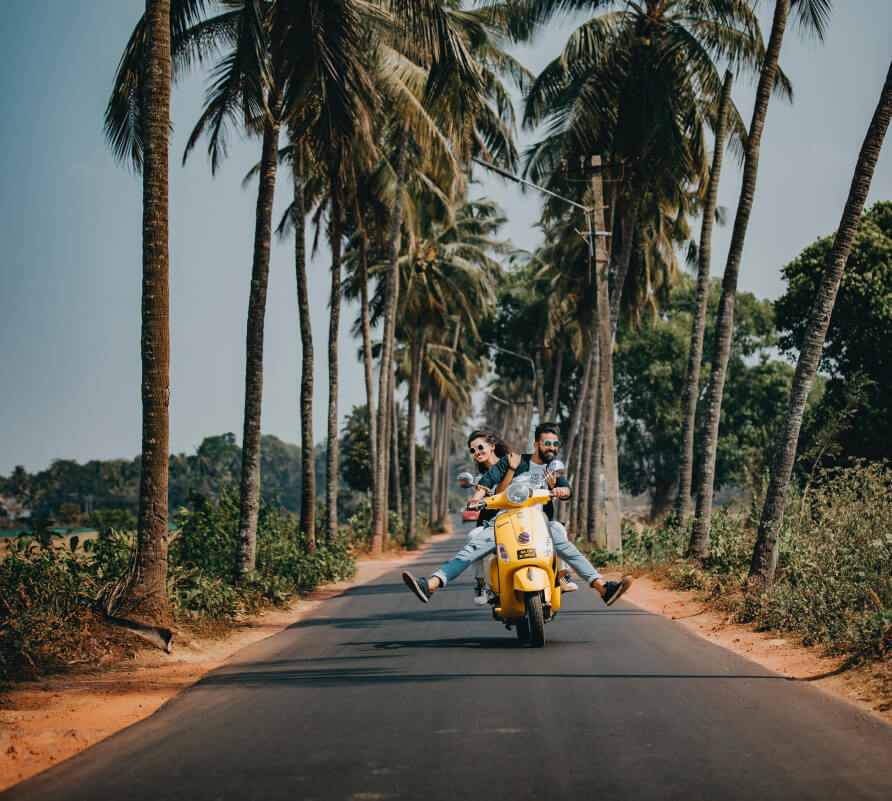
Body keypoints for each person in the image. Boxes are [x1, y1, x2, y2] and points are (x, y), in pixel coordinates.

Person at [402, 422, 633, 606]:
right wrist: (475, 498)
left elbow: (566, 489)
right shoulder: (512, 462)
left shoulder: (550, 469)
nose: (551, 447)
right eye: (546, 443)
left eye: (555, 443)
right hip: (503, 523)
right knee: (471, 548)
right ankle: (431, 584)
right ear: (536, 445)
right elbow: (486, 483)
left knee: (561, 536)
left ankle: (602, 587)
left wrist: (561, 490)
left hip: (538, 522)